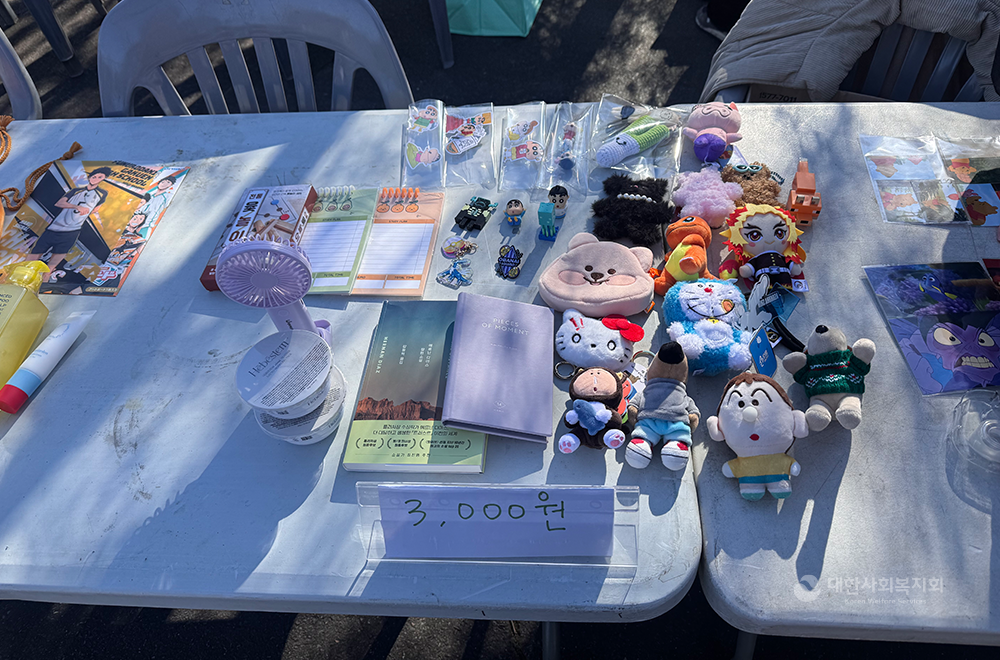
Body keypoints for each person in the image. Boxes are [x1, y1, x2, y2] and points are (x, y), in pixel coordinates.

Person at [27, 167, 112, 280]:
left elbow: (96, 209)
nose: (96, 179)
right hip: (54, 228)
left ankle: (42, 283)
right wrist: (76, 207)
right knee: (30, 261)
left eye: (100, 177)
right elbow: (59, 203)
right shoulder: (75, 191)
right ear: (89, 177)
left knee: (49, 269)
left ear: (103, 179)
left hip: (71, 232)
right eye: (94, 176)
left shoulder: (102, 194)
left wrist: (82, 214)